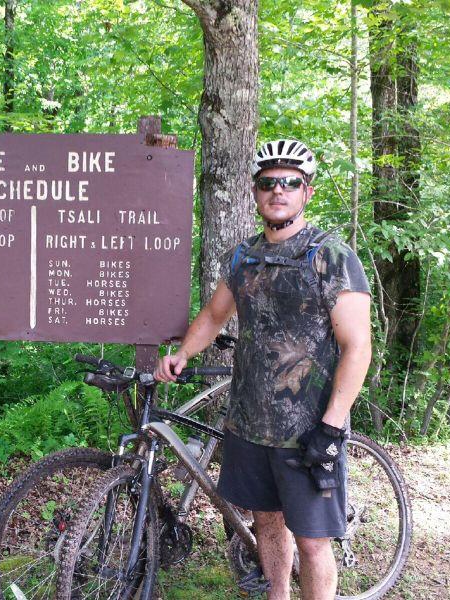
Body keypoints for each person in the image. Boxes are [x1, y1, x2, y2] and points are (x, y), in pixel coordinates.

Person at [155, 139, 372, 599]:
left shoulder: (330, 255)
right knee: (267, 523)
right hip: (250, 423)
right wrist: (183, 354)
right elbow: (215, 315)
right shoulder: (245, 256)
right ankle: (277, 595)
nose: (279, 191)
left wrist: (331, 428)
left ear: (306, 192)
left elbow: (357, 348)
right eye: (268, 183)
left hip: (309, 428)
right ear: (255, 192)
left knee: (313, 542)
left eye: (290, 182)